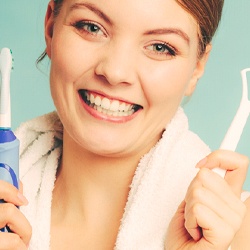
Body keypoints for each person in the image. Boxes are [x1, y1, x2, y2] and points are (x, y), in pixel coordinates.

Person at [0, 0, 249, 249]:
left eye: (160, 47)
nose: (115, 72)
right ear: (51, 27)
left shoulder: (239, 236)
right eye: (92, 27)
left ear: (197, 66)